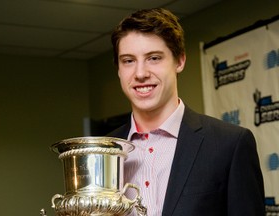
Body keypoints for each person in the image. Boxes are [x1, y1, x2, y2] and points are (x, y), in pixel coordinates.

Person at [108, 8, 265, 216]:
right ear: (119, 69)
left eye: (154, 58)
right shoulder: (105, 149)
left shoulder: (230, 144)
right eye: (128, 61)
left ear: (180, 61)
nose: (140, 73)